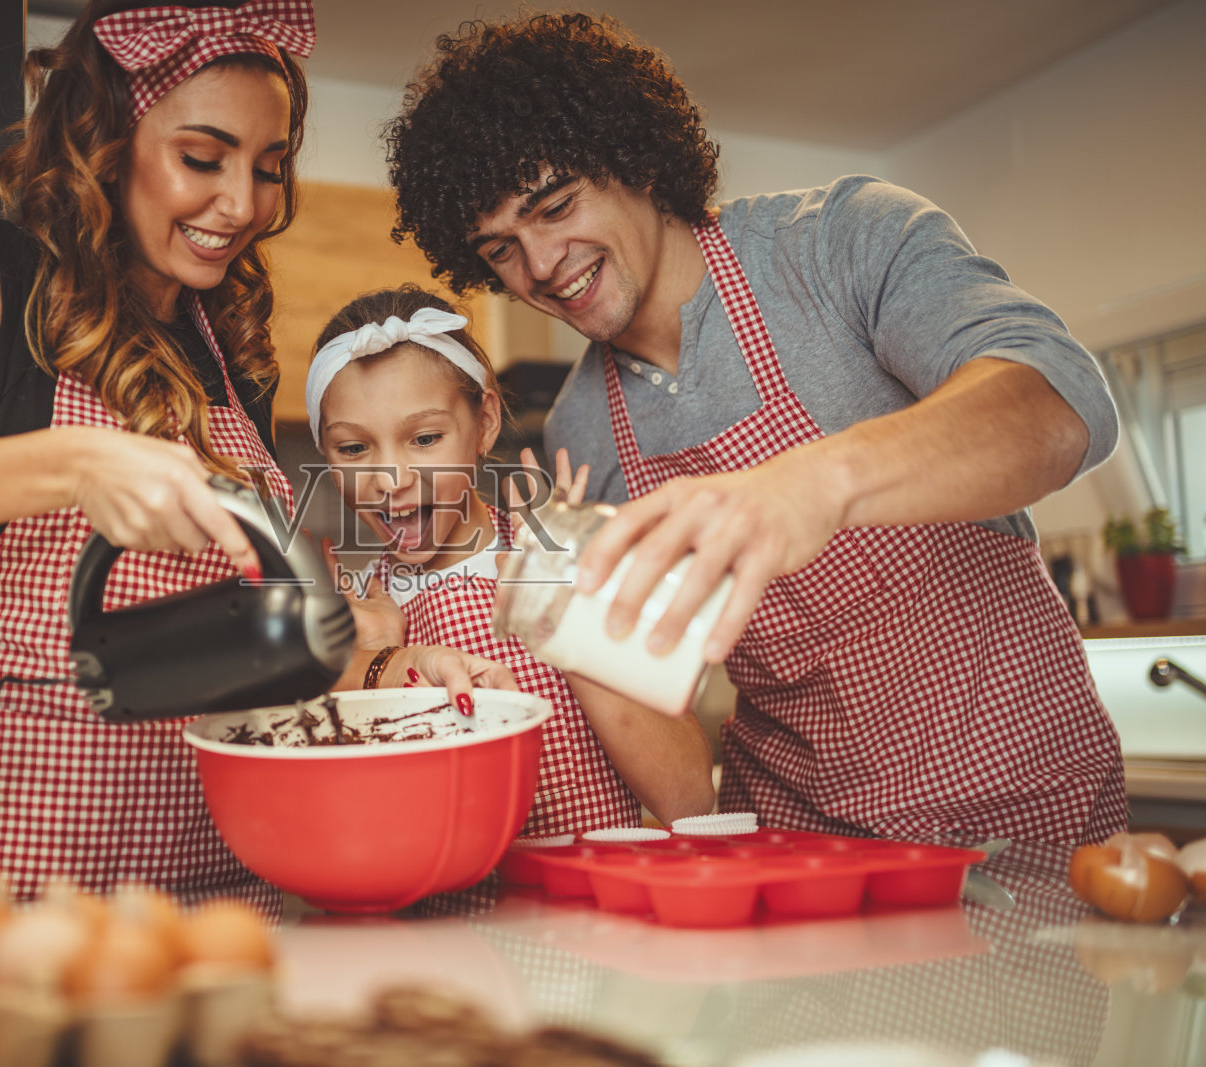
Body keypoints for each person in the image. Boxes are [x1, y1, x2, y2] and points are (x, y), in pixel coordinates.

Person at [0, 0, 509, 908]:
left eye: (269, 169)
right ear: (107, 141)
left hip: (232, 861)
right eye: (202, 157)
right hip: (30, 852)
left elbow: (239, 630)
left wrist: (384, 669)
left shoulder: (226, 344)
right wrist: (76, 463)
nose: (242, 205)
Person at [384, 12, 1126, 845]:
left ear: (632, 155)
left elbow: (1062, 403)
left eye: (556, 206)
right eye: (501, 251)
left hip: (1031, 804)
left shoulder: (840, 242)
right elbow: (658, 695)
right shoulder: (580, 431)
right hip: (800, 839)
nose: (544, 266)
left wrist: (813, 485)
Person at [308, 285, 715, 831]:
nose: (391, 480)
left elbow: (688, 798)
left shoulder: (565, 560)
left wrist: (563, 607)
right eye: (354, 449)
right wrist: (379, 655)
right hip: (441, 916)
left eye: (425, 438)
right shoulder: (360, 618)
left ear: (485, 424)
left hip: (595, 903)